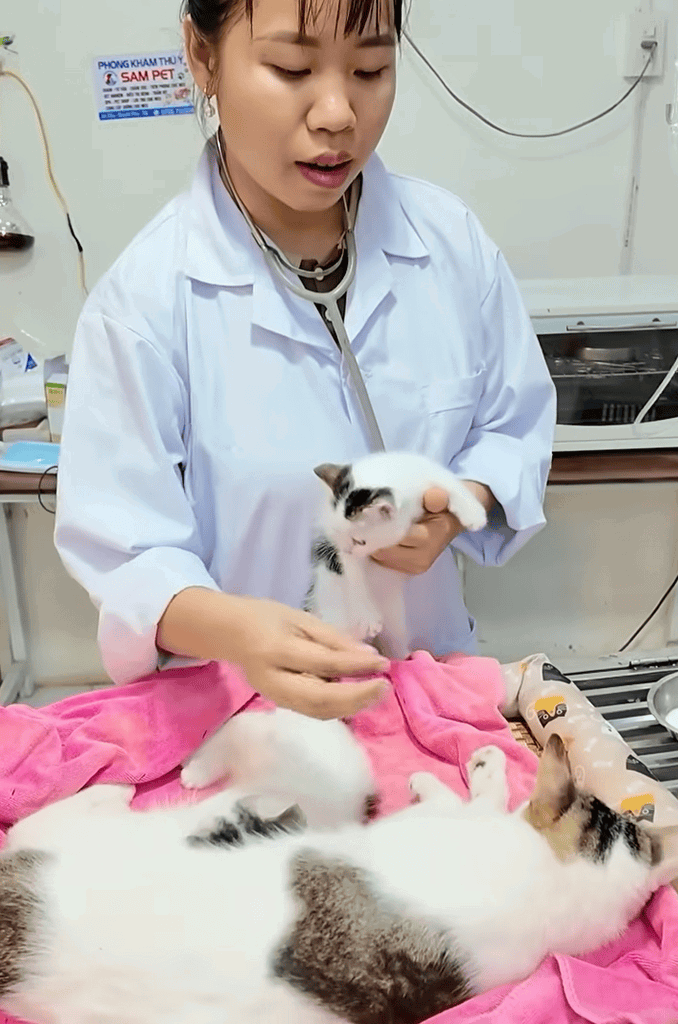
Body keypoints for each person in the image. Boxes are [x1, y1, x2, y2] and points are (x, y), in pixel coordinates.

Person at [54, 0, 556, 720]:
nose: (337, 113)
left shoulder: (452, 248)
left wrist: (456, 508)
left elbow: (514, 428)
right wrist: (242, 631)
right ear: (202, 57)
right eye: (292, 67)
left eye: (370, 68)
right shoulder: (142, 304)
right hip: (249, 718)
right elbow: (127, 551)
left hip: (434, 699)